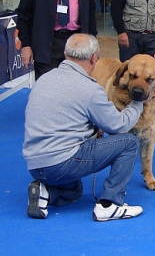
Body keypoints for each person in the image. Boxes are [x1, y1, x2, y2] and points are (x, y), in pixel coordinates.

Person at [23, 34, 146, 221]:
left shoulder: (44, 79)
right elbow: (118, 126)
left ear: (65, 53)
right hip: (62, 162)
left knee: (75, 191)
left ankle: (45, 192)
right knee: (128, 142)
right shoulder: (89, 88)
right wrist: (139, 102)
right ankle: (110, 204)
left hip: (35, 164)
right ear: (94, 58)